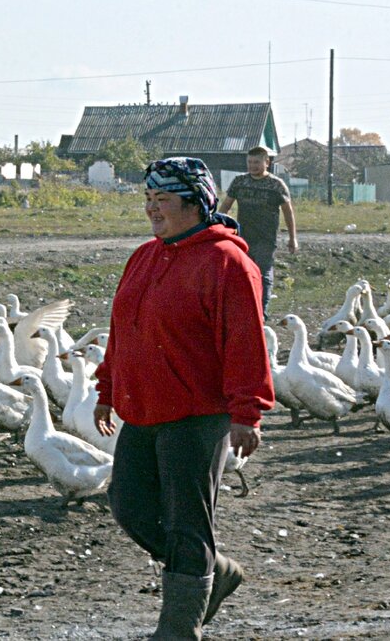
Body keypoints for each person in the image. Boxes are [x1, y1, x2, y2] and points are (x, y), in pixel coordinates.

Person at [94, 157, 274, 640]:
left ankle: (178, 629)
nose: (153, 210)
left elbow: (244, 341)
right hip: (144, 408)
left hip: (198, 414)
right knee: (129, 506)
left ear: (196, 204)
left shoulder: (229, 262)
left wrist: (247, 412)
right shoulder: (145, 256)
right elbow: (122, 331)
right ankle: (216, 571)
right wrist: (107, 388)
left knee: (186, 521)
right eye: (148, 201)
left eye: (164, 201)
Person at [217, 146, 297, 317]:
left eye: (256, 162)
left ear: (266, 162)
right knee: (242, 273)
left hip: (266, 238)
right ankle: (244, 308)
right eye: (250, 162)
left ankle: (262, 311)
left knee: (263, 272)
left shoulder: (276, 185)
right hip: (243, 236)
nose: (252, 166)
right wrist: (214, 226)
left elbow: (288, 212)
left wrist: (293, 238)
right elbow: (225, 206)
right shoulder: (239, 181)